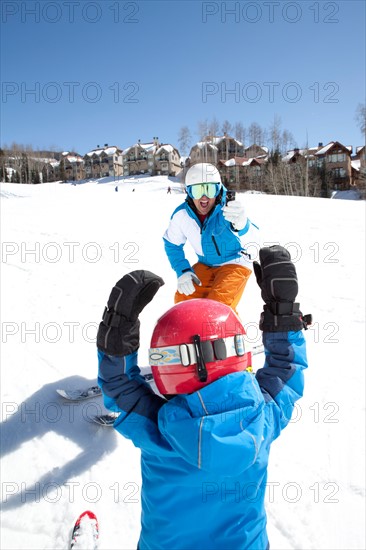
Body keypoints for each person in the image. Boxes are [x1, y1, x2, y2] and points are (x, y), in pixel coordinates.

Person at [97, 246, 310, 550]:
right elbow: (286, 369)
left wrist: (117, 332)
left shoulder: (158, 430)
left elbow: (118, 385)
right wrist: (284, 312)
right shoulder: (263, 419)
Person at [163, 162, 260, 312]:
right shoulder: (181, 215)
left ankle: (231, 334)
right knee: (184, 302)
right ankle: (189, 335)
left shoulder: (229, 210)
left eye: (209, 189)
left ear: (219, 190)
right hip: (206, 264)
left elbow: (256, 244)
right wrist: (183, 270)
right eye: (197, 190)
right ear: (188, 192)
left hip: (235, 262)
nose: (204, 197)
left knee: (217, 306)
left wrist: (243, 225)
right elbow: (172, 244)